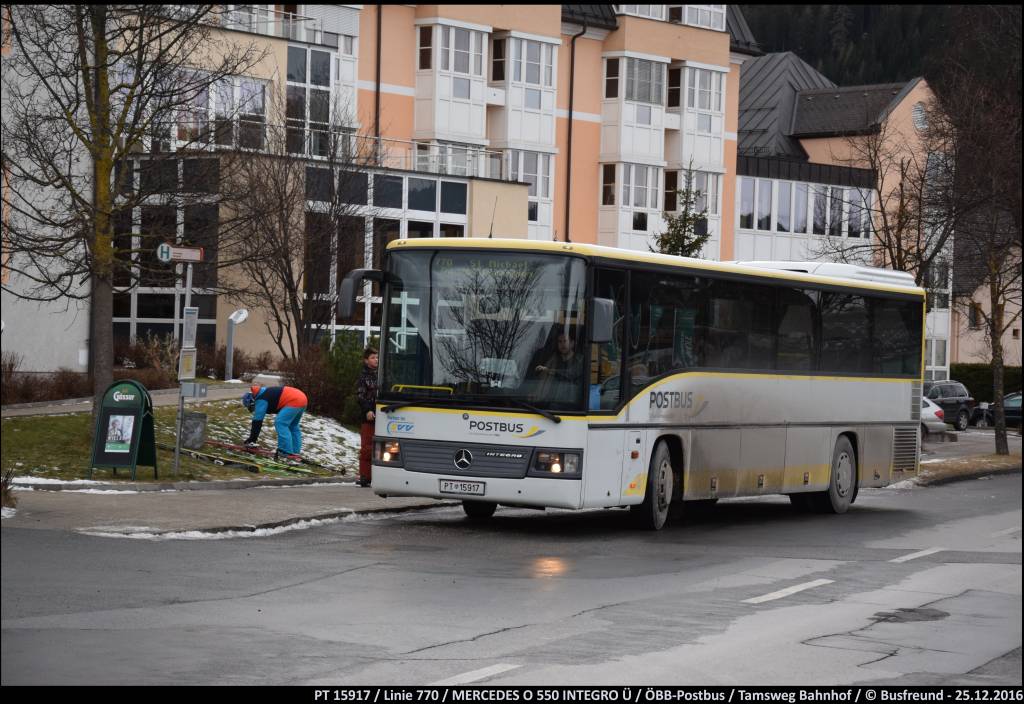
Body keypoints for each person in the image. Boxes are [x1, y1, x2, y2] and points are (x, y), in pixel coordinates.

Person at [242, 384, 308, 463]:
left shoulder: (260, 398)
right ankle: (295, 452)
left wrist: (251, 440)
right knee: (293, 426)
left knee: (280, 423)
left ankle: (285, 451)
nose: (254, 409)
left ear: (252, 401)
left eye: (252, 407)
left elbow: (257, 422)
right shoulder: (263, 393)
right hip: (302, 398)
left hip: (293, 400)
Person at [534, 332, 584, 403]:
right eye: (560, 342)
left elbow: (571, 374)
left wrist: (549, 370)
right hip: (551, 402)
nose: (562, 344)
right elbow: (543, 377)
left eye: (565, 341)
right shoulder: (554, 359)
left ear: (572, 343)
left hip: (570, 403)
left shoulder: (580, 360)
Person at [356, 347, 379, 487]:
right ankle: (365, 476)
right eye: (372, 357)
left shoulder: (381, 375)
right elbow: (360, 396)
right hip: (368, 417)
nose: (376, 360)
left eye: (377, 357)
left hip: (383, 415)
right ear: (366, 360)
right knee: (367, 448)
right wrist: (368, 410)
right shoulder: (363, 377)